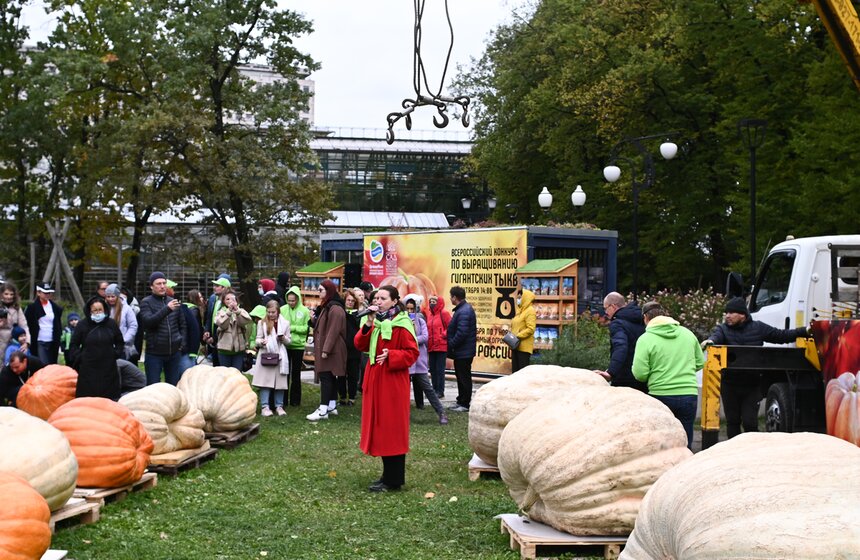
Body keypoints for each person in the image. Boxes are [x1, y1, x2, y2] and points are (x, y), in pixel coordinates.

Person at [702, 296, 810, 439]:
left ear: (743, 315)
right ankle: (733, 452)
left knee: (750, 422)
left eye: (732, 313)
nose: (727, 316)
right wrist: (711, 341)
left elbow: (781, 336)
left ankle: (751, 451)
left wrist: (804, 331)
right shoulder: (722, 329)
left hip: (752, 385)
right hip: (730, 384)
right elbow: (716, 337)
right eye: (726, 312)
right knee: (732, 421)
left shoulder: (758, 327)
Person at [354, 285, 419, 491]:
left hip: (392, 382)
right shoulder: (376, 322)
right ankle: (386, 476)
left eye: (383, 298)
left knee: (392, 429)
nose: (378, 301)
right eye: (376, 298)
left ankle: (394, 480)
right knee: (381, 429)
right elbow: (360, 345)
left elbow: (412, 353)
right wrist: (368, 325)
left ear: (394, 301)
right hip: (375, 380)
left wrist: (392, 355)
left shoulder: (402, 323)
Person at [632, 301, 704, 450]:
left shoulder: (645, 339)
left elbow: (640, 374)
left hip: (660, 394)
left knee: (661, 442)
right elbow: (700, 363)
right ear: (664, 314)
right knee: (685, 439)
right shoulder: (687, 334)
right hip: (688, 393)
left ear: (646, 318)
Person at [68, 296, 124, 400]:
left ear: (105, 310)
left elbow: (120, 342)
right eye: (95, 310)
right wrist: (80, 357)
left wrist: (115, 354)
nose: (98, 313)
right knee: (88, 398)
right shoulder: (82, 325)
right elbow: (74, 344)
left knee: (108, 398)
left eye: (100, 310)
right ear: (89, 311)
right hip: (88, 368)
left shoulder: (111, 324)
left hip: (108, 367)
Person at [306, 280, 347, 421]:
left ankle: (323, 409)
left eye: (321, 290)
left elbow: (333, 331)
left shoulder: (335, 308)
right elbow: (324, 326)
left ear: (328, 291)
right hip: (329, 348)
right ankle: (331, 406)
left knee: (326, 377)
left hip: (331, 349)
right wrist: (313, 320)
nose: (319, 293)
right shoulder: (328, 306)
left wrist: (326, 350)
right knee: (330, 376)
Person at [138, 272, 187, 385]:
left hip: (174, 352)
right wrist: (167, 309)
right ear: (151, 286)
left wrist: (181, 343)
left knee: (173, 386)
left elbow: (182, 325)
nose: (162, 286)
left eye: (164, 283)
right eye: (158, 284)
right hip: (155, 353)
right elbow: (149, 322)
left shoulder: (172, 301)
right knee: (153, 386)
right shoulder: (146, 302)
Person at [405, 297, 447, 425]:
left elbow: (424, 337)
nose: (409, 311)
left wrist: (410, 340)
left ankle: (441, 412)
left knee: (428, 388)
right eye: (407, 308)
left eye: (412, 309)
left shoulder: (421, 321)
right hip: (406, 361)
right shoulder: (402, 321)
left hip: (419, 361)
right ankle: (400, 414)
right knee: (403, 389)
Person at [595, 292, 647, 392]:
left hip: (624, 378)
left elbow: (620, 346)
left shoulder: (617, 323)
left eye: (606, 308)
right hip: (643, 376)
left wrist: (611, 372)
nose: (605, 312)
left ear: (613, 306)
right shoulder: (641, 320)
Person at [252, 300, 291, 417]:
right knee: (265, 382)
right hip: (266, 354)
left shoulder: (285, 323)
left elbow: (289, 341)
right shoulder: (261, 323)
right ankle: (265, 406)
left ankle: (279, 406)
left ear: (278, 311)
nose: (271, 314)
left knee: (280, 383)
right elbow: (257, 339)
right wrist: (262, 342)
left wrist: (283, 338)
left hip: (280, 355)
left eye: (273, 312)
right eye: (269, 312)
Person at [447, 285, 477, 412]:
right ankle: (461, 400)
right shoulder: (462, 309)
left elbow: (462, 333)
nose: (450, 299)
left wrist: (451, 344)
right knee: (460, 376)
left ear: (455, 297)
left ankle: (465, 404)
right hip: (461, 351)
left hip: (463, 352)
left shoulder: (464, 311)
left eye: (451, 296)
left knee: (464, 377)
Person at [282, 286, 309, 407]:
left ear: (298, 299)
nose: (291, 302)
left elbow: (306, 329)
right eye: (289, 300)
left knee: (296, 374)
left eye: (293, 300)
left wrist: (291, 328)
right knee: (285, 373)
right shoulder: (283, 310)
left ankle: (295, 400)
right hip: (285, 345)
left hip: (298, 346)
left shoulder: (304, 311)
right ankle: (283, 399)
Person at [24, 282, 63, 365]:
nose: (47, 295)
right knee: (42, 364)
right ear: (38, 293)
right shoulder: (32, 308)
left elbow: (57, 324)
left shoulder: (55, 307)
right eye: (45, 293)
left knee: (51, 365)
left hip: (52, 340)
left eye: (48, 293)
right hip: (39, 340)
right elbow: (27, 324)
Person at [215, 290, 252, 371]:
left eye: (232, 299)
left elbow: (245, 322)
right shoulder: (220, 312)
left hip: (238, 351)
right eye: (227, 299)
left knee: (237, 373)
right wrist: (228, 313)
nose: (230, 301)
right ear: (223, 301)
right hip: (224, 350)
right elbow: (223, 325)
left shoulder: (240, 311)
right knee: (225, 375)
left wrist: (237, 311)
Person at [424, 293, 451, 398]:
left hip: (441, 346)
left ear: (439, 303)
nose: (432, 304)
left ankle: (440, 391)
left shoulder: (444, 313)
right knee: (433, 370)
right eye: (430, 302)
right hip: (431, 346)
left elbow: (451, 327)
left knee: (440, 369)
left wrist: (443, 335)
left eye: (434, 302)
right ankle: (434, 390)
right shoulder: (430, 315)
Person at [338, 289, 361, 406]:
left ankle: (351, 397)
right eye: (348, 300)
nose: (350, 302)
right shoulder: (340, 312)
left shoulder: (359, 314)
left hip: (355, 349)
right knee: (341, 373)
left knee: (353, 374)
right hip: (342, 348)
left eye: (353, 301)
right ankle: (342, 396)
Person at [105, 284, 139, 362]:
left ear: (117, 296)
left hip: (122, 347)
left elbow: (133, 325)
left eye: (113, 296)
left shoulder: (126, 308)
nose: (110, 299)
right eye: (108, 296)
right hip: (106, 346)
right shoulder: (104, 307)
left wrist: (124, 339)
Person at [203, 274, 231, 366]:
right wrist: (207, 331)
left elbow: (225, 324)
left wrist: (214, 338)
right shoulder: (213, 299)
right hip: (214, 342)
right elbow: (209, 317)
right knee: (216, 368)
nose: (214, 288)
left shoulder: (229, 301)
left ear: (224, 288)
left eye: (217, 286)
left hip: (224, 341)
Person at [0, 281, 30, 360]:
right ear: (1, 294)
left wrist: (27, 342)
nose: (9, 296)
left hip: (14, 341)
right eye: (6, 294)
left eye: (11, 294)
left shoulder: (17, 308)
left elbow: (24, 325)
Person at [509, 288, 536, 372]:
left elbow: (531, 329)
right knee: (515, 373)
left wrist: (517, 335)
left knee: (522, 373)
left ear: (525, 298)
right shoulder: (520, 310)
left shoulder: (530, 311)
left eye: (520, 297)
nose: (518, 299)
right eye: (518, 297)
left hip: (523, 348)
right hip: (516, 345)